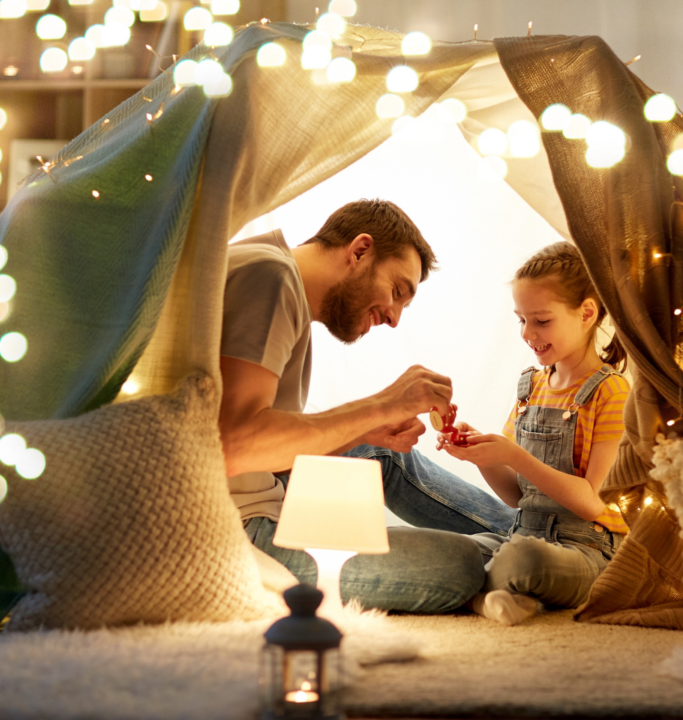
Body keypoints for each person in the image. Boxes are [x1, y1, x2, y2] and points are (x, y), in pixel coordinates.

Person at [219, 198, 517, 613]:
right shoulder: (270, 278)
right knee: (461, 564)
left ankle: (531, 537)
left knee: (377, 452)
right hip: (239, 529)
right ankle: (535, 548)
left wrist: (364, 431)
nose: (394, 318)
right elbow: (234, 446)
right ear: (359, 251)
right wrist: (382, 404)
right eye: (397, 291)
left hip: (258, 492)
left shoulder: (268, 266)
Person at [440, 241, 630, 626]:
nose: (528, 333)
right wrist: (480, 455)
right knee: (446, 553)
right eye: (521, 319)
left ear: (587, 313)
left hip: (585, 549)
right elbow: (515, 495)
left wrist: (514, 455)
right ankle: (491, 595)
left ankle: (477, 597)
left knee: (521, 560)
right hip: (520, 533)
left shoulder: (612, 392)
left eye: (541, 321)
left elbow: (595, 503)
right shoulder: (531, 386)